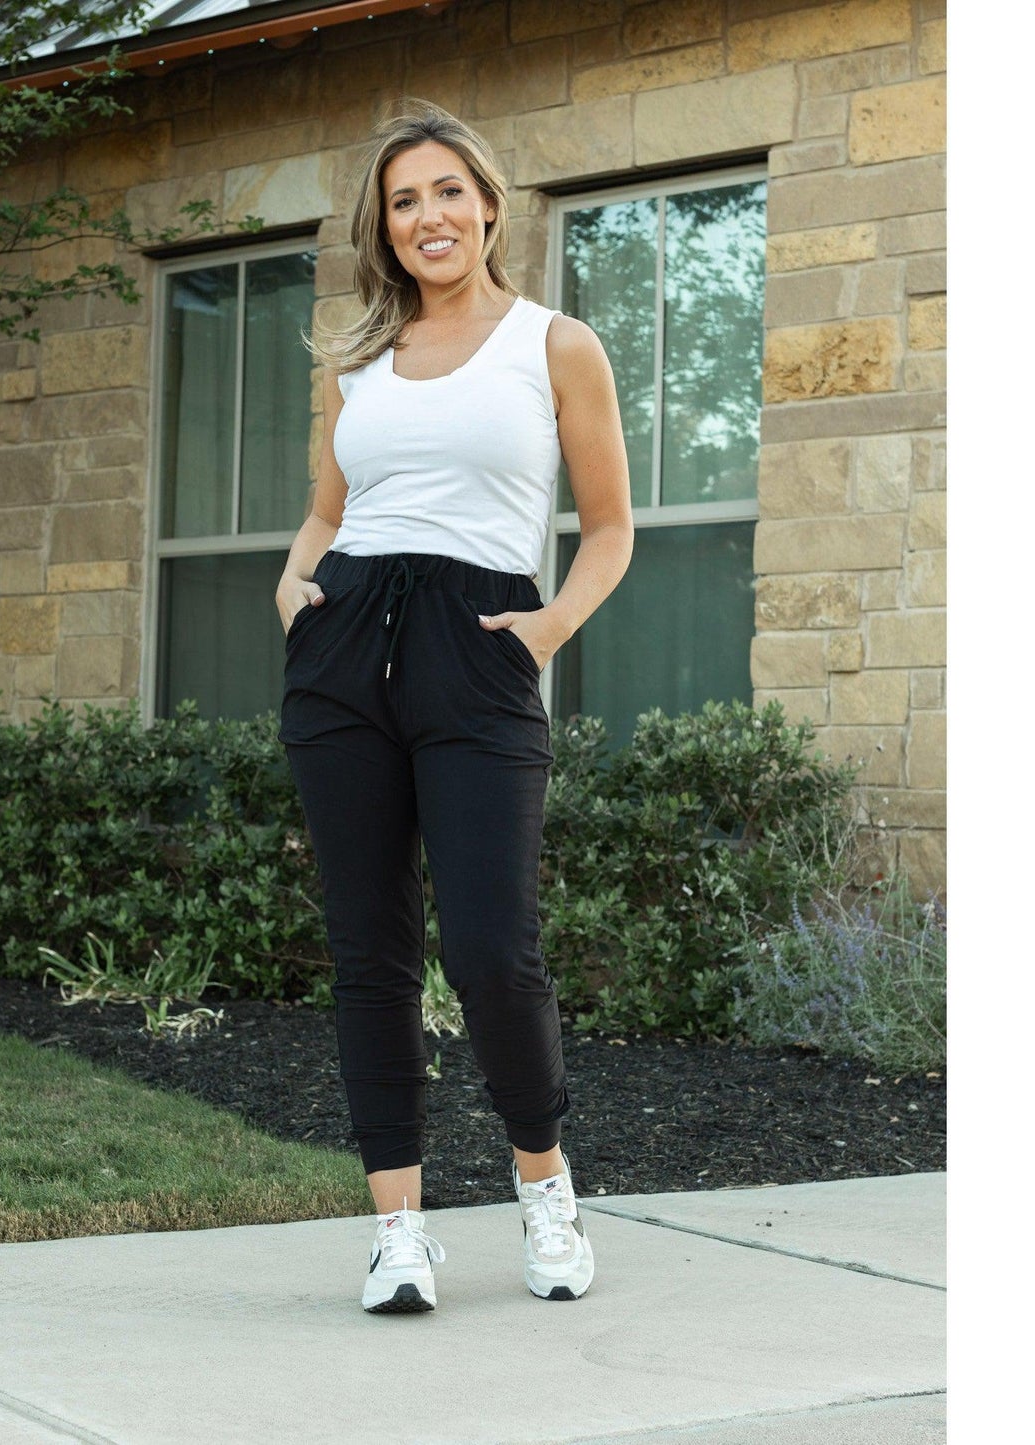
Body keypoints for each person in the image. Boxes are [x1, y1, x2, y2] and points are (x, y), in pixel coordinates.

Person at [274, 99, 632, 1314]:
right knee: (368, 951)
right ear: (384, 226)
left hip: (478, 646)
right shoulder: (356, 363)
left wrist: (545, 628)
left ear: (486, 205)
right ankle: (398, 1231)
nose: (426, 216)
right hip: (344, 650)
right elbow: (329, 509)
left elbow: (609, 525)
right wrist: (292, 585)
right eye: (402, 200)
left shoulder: (554, 345)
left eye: (444, 192)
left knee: (490, 949)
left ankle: (545, 1191)